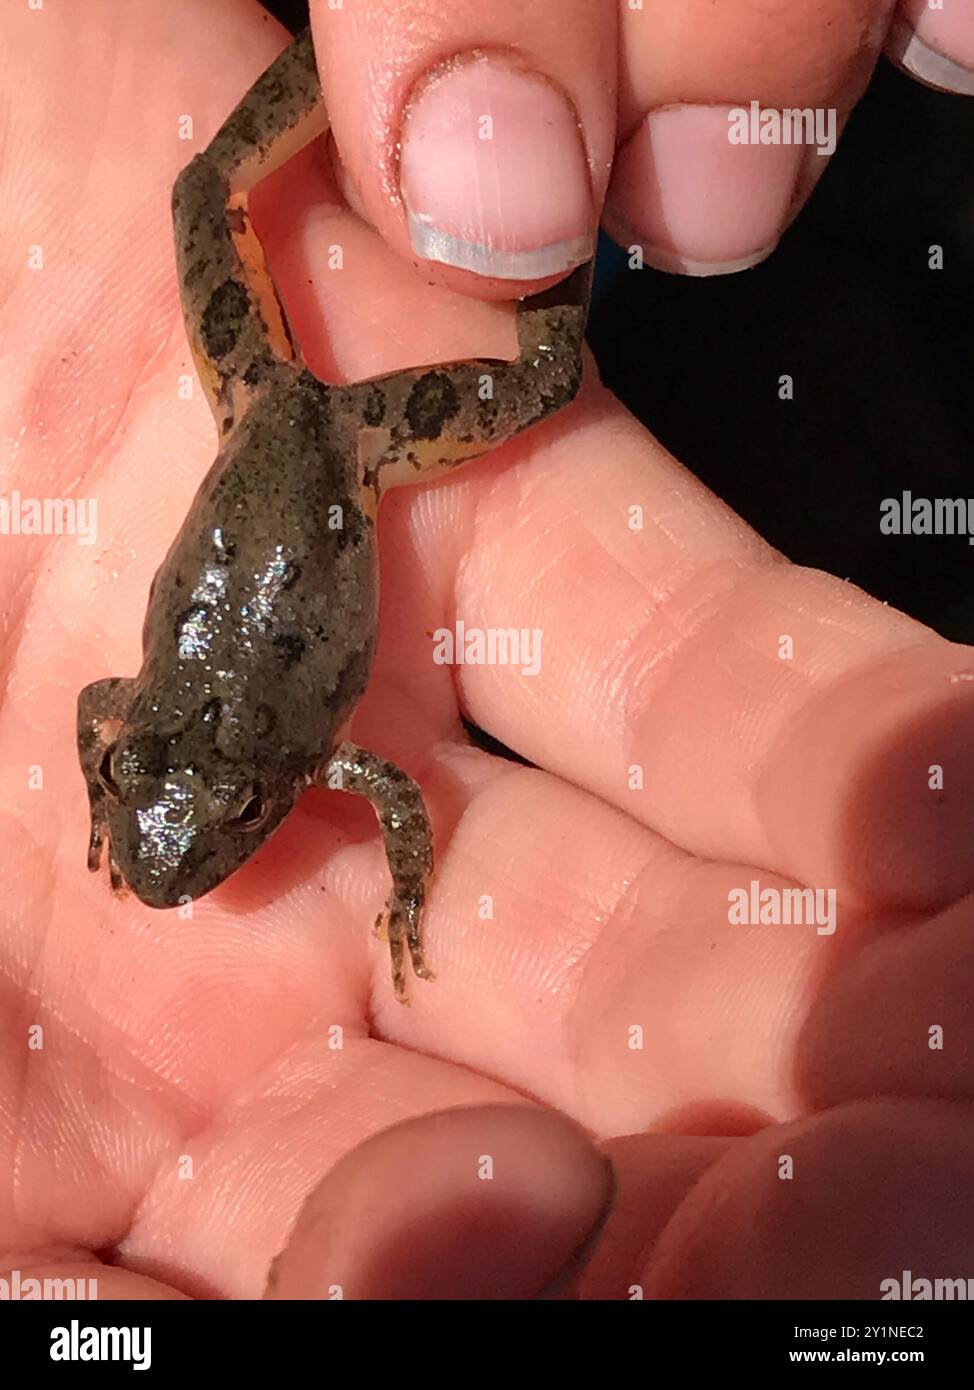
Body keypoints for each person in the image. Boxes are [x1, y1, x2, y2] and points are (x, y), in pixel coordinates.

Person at [1, 0, 971, 1300]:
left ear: (264, 781)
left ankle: (529, 220)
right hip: (262, 415)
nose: (183, 845)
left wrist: (404, 893)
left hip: (305, 426)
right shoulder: (193, 737)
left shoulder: (308, 757)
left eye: (212, 808)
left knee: (516, 371)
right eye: (139, 785)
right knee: (214, 191)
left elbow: (374, 787)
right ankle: (483, 162)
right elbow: (118, 712)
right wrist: (121, 811)